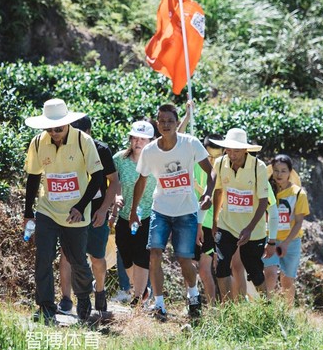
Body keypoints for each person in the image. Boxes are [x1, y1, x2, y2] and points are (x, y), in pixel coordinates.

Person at [23, 99, 105, 324]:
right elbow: (33, 177)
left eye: (58, 128)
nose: (54, 132)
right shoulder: (39, 143)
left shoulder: (83, 141)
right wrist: (28, 213)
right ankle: (46, 307)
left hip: (74, 213)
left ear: (67, 124)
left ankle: (83, 300)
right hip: (47, 209)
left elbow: (97, 176)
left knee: (78, 260)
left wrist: (80, 207)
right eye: (49, 128)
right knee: (43, 258)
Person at [130, 104, 215, 321]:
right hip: (160, 210)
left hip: (187, 211)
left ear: (177, 123)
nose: (165, 124)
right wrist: (134, 211)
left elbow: (210, 171)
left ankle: (193, 298)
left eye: (170, 120)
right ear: (157, 124)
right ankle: (159, 305)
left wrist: (208, 193)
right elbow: (141, 180)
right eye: (161, 121)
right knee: (155, 254)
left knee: (184, 258)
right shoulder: (150, 151)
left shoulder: (190, 144)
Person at [57, 115, 120, 315]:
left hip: (96, 214)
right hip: (72, 211)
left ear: (89, 132)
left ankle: (100, 292)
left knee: (96, 257)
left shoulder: (101, 150)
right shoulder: (65, 149)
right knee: (66, 255)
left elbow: (114, 183)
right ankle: (66, 300)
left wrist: (103, 211)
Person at [210, 127, 269, 302]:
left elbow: (264, 201)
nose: (232, 154)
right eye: (229, 149)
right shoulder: (220, 163)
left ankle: (268, 306)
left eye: (236, 150)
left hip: (253, 228)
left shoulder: (259, 167)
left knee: (255, 272)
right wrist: (214, 221)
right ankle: (227, 310)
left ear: (245, 149)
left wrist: (250, 229)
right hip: (227, 224)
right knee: (221, 265)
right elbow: (218, 192)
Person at [113, 120, 157, 306]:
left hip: (149, 213)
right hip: (124, 214)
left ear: (151, 141)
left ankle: (138, 297)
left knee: (142, 254)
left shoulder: (156, 160)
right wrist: (116, 198)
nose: (138, 142)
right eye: (135, 138)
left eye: (143, 139)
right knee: (126, 255)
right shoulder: (119, 160)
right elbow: (113, 183)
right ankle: (139, 288)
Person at [261, 154, 309, 305]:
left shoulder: (298, 193)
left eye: (283, 171)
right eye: (276, 170)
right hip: (270, 239)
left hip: (291, 241)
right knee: (270, 274)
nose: (279, 174)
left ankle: (287, 312)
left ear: (290, 172)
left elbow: (299, 222)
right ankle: (265, 308)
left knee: (287, 280)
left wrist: (286, 243)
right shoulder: (265, 189)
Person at [192, 136, 221, 305]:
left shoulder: (220, 169)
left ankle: (211, 306)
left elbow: (212, 194)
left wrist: (197, 187)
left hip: (208, 224)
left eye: (217, 157)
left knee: (204, 269)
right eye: (209, 156)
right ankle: (192, 303)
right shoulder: (194, 163)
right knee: (188, 266)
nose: (212, 160)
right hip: (189, 220)